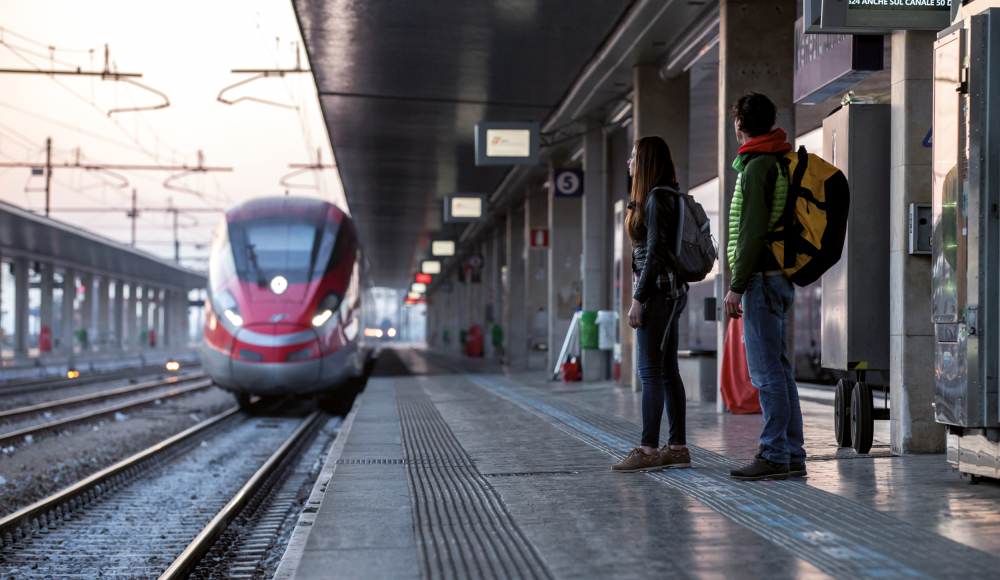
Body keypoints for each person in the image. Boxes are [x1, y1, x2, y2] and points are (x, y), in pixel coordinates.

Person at [722, 92, 806, 481]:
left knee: (765, 373)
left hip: (759, 280)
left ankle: (774, 454)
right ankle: (791, 453)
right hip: (777, 278)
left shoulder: (757, 168)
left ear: (739, 125)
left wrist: (737, 285)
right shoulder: (776, 161)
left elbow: (753, 232)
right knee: (780, 370)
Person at [611, 136, 691, 473]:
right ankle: (676, 447)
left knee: (651, 373)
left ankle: (647, 449)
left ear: (645, 162)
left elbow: (655, 254)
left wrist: (638, 300)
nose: (629, 162)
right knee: (668, 372)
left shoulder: (658, 198)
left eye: (633, 157)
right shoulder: (663, 196)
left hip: (657, 294)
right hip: (670, 293)